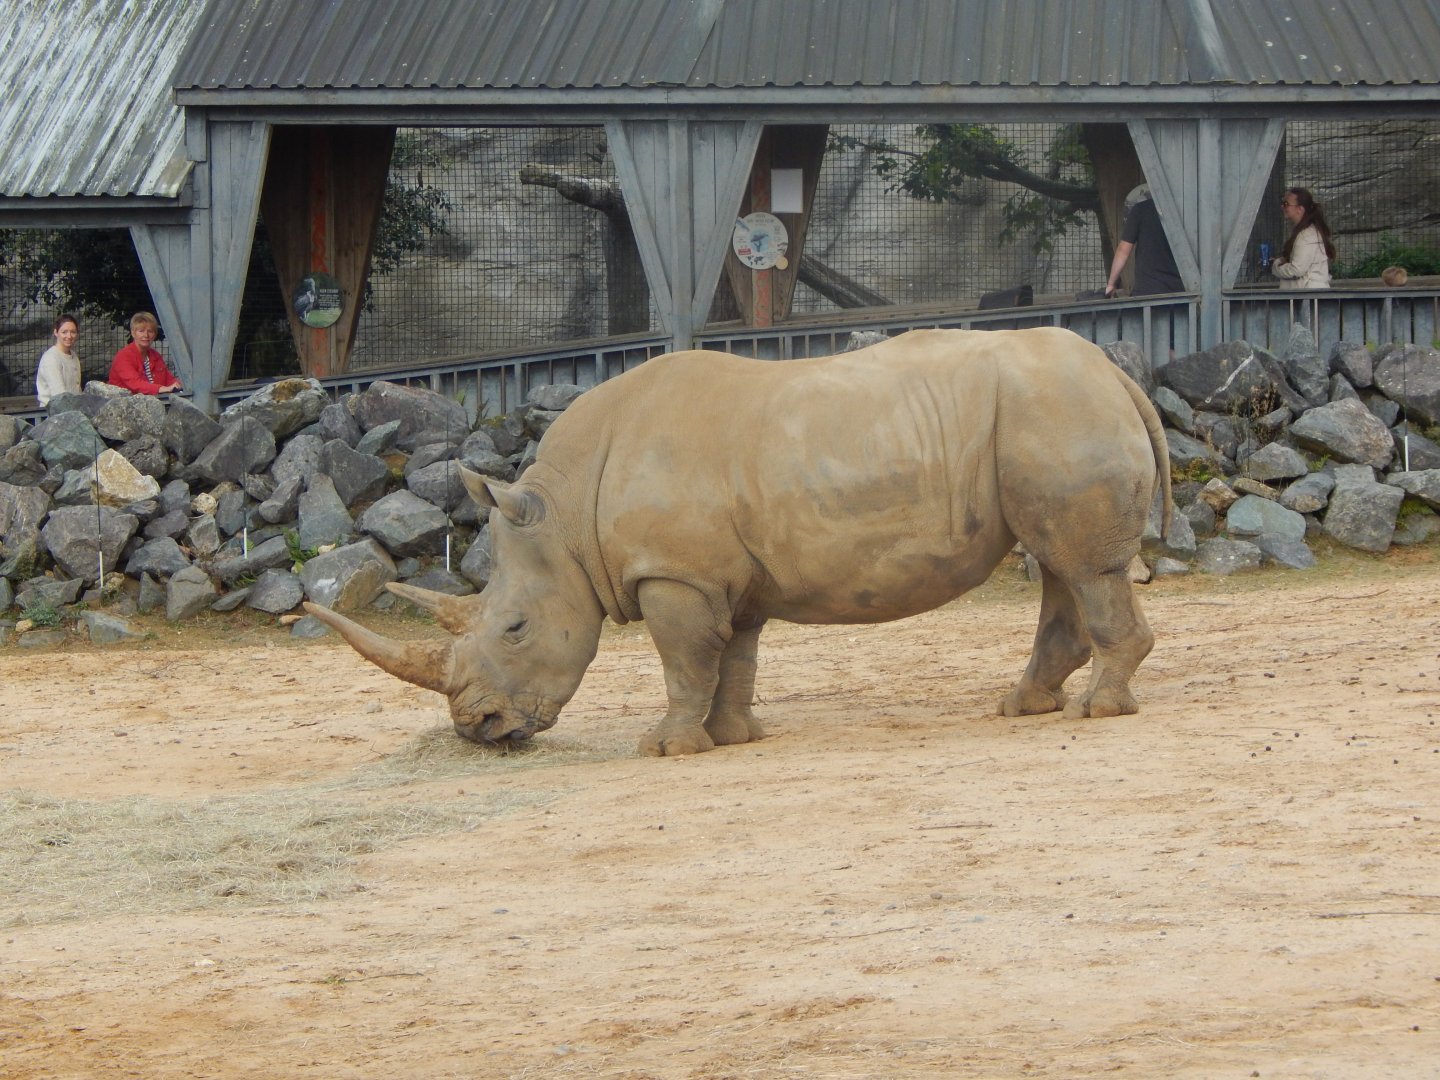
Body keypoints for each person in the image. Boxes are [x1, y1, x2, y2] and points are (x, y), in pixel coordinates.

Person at [1104, 186, 1183, 297]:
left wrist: (1111, 284)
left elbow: (1123, 250)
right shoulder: (1183, 212)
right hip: (1180, 291)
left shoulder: (1141, 209)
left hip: (1148, 291)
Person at [1271, 187, 1335, 288]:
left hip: (1309, 297)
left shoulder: (1306, 235)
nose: (1282, 206)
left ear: (1300, 209)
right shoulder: (1306, 232)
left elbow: (1296, 270)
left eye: (1286, 204)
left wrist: (1276, 266)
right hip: (1310, 295)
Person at [108, 311, 182, 394]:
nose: (146, 335)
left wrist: (180, 384)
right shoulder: (123, 356)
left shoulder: (155, 355)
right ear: (133, 333)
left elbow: (169, 379)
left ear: (155, 334)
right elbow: (135, 383)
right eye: (141, 331)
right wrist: (162, 388)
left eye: (150, 331)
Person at [35, 313, 82, 405]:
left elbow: (77, 390)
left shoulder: (74, 356)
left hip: (72, 411)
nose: (69, 336)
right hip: (52, 413)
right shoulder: (51, 358)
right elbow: (59, 395)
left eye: (73, 332)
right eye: (64, 332)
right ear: (56, 332)